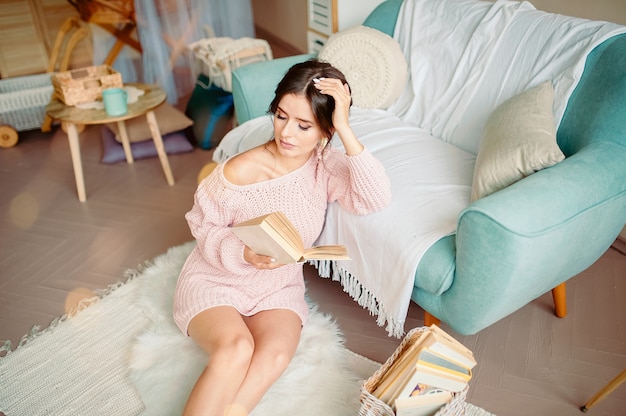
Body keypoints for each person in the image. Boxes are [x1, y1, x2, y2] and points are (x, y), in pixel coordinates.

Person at [173, 59, 392, 416]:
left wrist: (345, 128)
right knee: (236, 350)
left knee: (273, 356)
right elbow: (203, 227)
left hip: (277, 287)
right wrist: (245, 254)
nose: (287, 133)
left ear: (324, 132)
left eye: (304, 125)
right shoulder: (239, 171)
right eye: (280, 116)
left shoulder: (325, 166)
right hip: (218, 279)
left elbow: (375, 198)